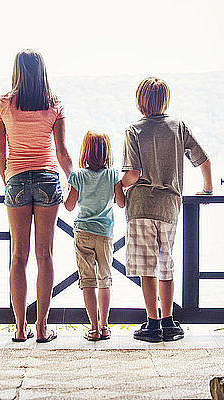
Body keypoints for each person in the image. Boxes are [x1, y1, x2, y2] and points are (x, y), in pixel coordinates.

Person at [121, 77, 213, 342]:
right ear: (165, 100)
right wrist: (206, 190)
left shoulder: (133, 130)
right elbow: (203, 160)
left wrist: (119, 183)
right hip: (170, 207)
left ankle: (152, 324)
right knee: (165, 263)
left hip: (140, 207)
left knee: (146, 268)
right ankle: (169, 321)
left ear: (140, 100)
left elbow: (133, 173)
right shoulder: (177, 126)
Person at [0, 49, 73, 343]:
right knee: (45, 254)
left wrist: (9, 180)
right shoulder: (54, 105)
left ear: (17, 69)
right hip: (48, 180)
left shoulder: (3, 105)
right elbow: (63, 153)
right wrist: (73, 182)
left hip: (15, 179)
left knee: (18, 256)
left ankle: (19, 328)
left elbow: (0, 152)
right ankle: (41, 328)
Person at [64, 130, 125, 341]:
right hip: (105, 234)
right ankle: (105, 325)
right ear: (107, 152)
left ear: (85, 152)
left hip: (83, 232)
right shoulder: (113, 175)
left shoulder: (78, 176)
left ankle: (93, 328)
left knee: (87, 281)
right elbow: (121, 202)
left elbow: (70, 206)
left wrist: (66, 191)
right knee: (105, 279)